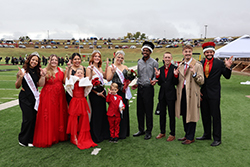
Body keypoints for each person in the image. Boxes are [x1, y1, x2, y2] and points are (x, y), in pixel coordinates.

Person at [196, 42, 233, 146]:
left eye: (211, 52)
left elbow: (227, 76)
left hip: (214, 94)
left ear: (213, 52)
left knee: (215, 116)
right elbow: (198, 78)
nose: (209, 54)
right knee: (205, 115)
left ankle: (217, 138)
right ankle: (207, 134)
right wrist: (198, 90)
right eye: (207, 52)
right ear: (204, 53)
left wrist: (228, 67)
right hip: (203, 93)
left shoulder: (219, 63)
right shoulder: (200, 63)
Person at [33, 54, 68, 148]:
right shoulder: (45, 70)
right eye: (52, 60)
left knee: (58, 114)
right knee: (49, 115)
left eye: (56, 60)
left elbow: (64, 82)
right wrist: (43, 76)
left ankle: (58, 135)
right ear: (49, 61)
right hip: (48, 95)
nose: (54, 61)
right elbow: (40, 84)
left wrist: (68, 71)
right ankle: (49, 137)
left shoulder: (61, 70)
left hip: (60, 95)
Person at [175, 45, 204, 145]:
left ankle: (191, 137)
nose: (187, 53)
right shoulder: (181, 65)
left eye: (189, 51)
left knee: (191, 115)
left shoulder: (197, 65)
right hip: (182, 93)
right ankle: (187, 134)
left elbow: (201, 81)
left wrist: (195, 73)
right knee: (184, 113)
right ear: (183, 53)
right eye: (185, 51)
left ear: (192, 53)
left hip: (191, 93)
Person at [15, 52, 45, 147]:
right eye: (33, 60)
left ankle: (31, 139)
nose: (34, 62)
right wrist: (20, 77)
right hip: (24, 97)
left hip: (34, 98)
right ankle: (23, 139)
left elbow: (40, 84)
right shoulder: (22, 71)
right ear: (29, 60)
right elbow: (17, 86)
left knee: (33, 118)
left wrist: (43, 75)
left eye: (36, 60)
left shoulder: (37, 71)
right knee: (27, 118)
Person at [65, 66, 97, 149]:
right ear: (75, 74)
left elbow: (89, 78)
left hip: (82, 101)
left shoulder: (84, 80)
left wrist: (92, 70)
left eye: (81, 73)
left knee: (83, 118)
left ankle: (82, 135)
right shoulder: (73, 79)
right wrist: (68, 69)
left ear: (83, 74)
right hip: (75, 101)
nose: (79, 74)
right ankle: (74, 136)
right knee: (73, 119)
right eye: (78, 73)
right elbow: (68, 77)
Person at [132, 41, 158, 140]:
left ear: (150, 52)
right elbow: (139, 75)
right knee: (140, 110)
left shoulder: (154, 62)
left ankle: (148, 131)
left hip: (148, 89)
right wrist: (136, 84)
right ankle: (141, 129)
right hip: (140, 88)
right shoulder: (139, 62)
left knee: (148, 111)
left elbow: (156, 75)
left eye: (147, 50)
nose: (145, 52)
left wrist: (154, 81)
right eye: (144, 50)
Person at [106, 50, 131, 139]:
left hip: (123, 92)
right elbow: (108, 79)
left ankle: (123, 132)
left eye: (121, 58)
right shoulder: (111, 67)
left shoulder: (125, 67)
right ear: (115, 57)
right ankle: (114, 133)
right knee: (115, 112)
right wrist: (113, 72)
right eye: (118, 57)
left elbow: (128, 79)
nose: (119, 59)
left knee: (123, 110)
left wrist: (128, 82)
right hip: (115, 92)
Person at [86, 50, 110, 143]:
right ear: (92, 57)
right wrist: (96, 93)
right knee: (96, 114)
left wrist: (107, 66)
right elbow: (88, 83)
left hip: (102, 92)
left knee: (103, 113)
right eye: (95, 56)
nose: (97, 58)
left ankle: (103, 133)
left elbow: (104, 77)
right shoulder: (89, 68)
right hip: (94, 93)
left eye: (99, 56)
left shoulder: (100, 68)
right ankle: (96, 135)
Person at [154, 52, 178, 141]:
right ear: (163, 58)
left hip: (171, 95)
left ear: (171, 58)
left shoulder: (175, 68)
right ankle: (162, 132)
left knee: (171, 115)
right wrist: (157, 76)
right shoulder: (160, 69)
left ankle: (172, 133)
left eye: (169, 57)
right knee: (162, 115)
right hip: (162, 95)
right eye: (165, 57)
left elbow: (176, 83)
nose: (167, 59)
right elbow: (160, 83)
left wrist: (176, 75)